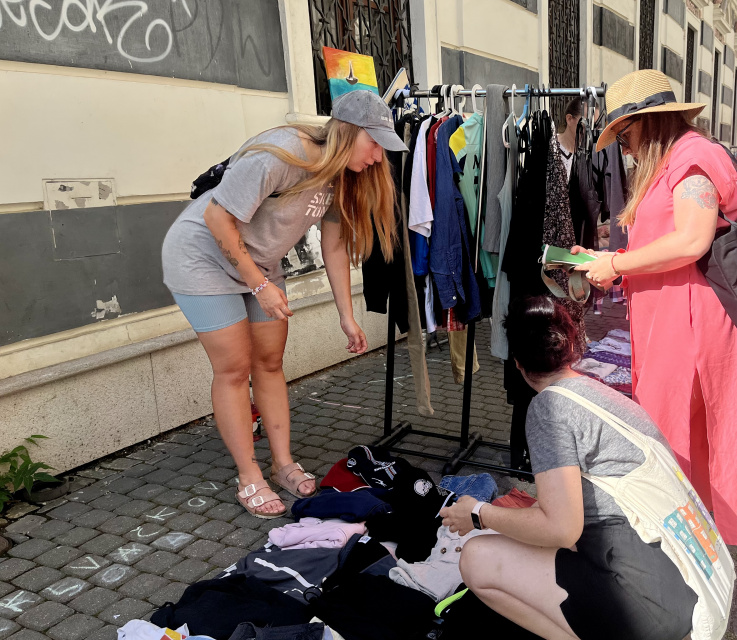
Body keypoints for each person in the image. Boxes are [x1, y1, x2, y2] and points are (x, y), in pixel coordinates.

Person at [161, 90, 406, 518]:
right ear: (350, 133)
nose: (377, 159)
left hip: (257, 261)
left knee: (270, 363)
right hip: (201, 257)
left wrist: (346, 318)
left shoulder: (340, 177)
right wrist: (259, 286)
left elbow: (333, 248)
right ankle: (249, 475)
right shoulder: (284, 153)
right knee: (235, 367)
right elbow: (216, 217)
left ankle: (282, 463)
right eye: (375, 145)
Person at [573, 70, 737, 546]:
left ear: (648, 123)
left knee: (681, 426)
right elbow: (669, 235)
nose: (625, 147)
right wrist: (604, 254)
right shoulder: (677, 159)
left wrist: (616, 263)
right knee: (683, 427)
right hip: (675, 315)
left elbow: (693, 239)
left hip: (694, 319)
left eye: (625, 133)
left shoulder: (694, 157)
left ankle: (686, 537)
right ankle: (689, 530)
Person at [440, 295, 701, 640]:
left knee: (476, 556)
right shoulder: (599, 391)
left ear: (516, 362)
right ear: (573, 347)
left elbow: (562, 529)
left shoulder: (548, 408)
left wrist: (478, 513)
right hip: (684, 581)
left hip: (646, 605)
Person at [556, 97, 583, 181]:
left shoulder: (590, 153)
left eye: (595, 126)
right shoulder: (551, 148)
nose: (591, 130)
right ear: (569, 119)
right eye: (586, 123)